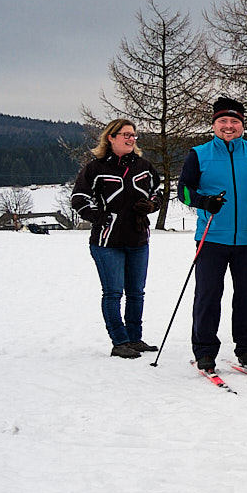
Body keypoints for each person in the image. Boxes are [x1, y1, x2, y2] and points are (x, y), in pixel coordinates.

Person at [178, 97, 247, 373]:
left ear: (242, 125)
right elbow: (183, 190)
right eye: (223, 121)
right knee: (208, 295)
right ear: (214, 124)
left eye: (234, 122)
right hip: (212, 237)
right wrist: (204, 202)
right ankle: (205, 352)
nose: (228, 126)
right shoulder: (200, 153)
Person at [73, 117, 164, 357]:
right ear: (110, 138)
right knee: (113, 293)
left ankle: (135, 338)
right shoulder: (95, 168)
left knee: (136, 292)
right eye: (125, 134)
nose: (130, 138)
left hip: (138, 240)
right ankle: (119, 341)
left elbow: (159, 192)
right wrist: (98, 216)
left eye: (133, 135)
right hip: (107, 242)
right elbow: (79, 198)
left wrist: (151, 206)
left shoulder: (144, 166)